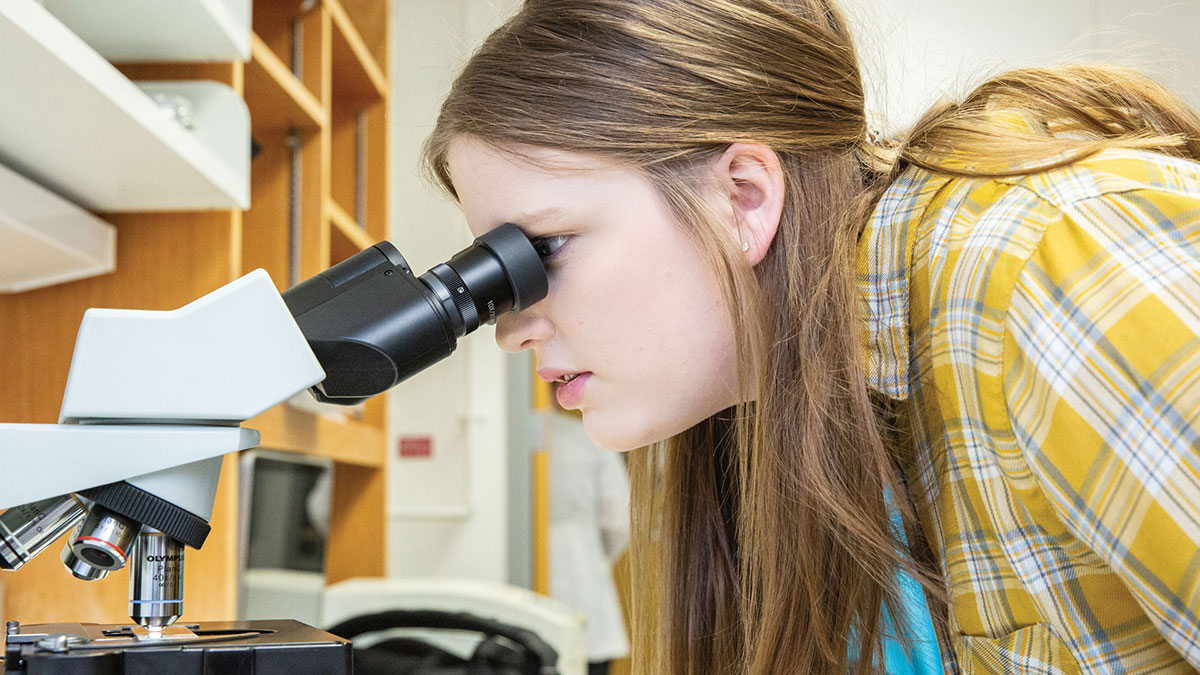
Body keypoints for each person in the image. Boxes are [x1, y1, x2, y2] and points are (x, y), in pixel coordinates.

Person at [420, 1, 1200, 673]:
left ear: (744, 198)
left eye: (543, 249)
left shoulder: (1042, 269)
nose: (511, 327)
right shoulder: (811, 401)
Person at [547, 401, 631, 675]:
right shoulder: (586, 439)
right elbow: (619, 520)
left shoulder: (508, 440)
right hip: (583, 567)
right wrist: (595, 554)